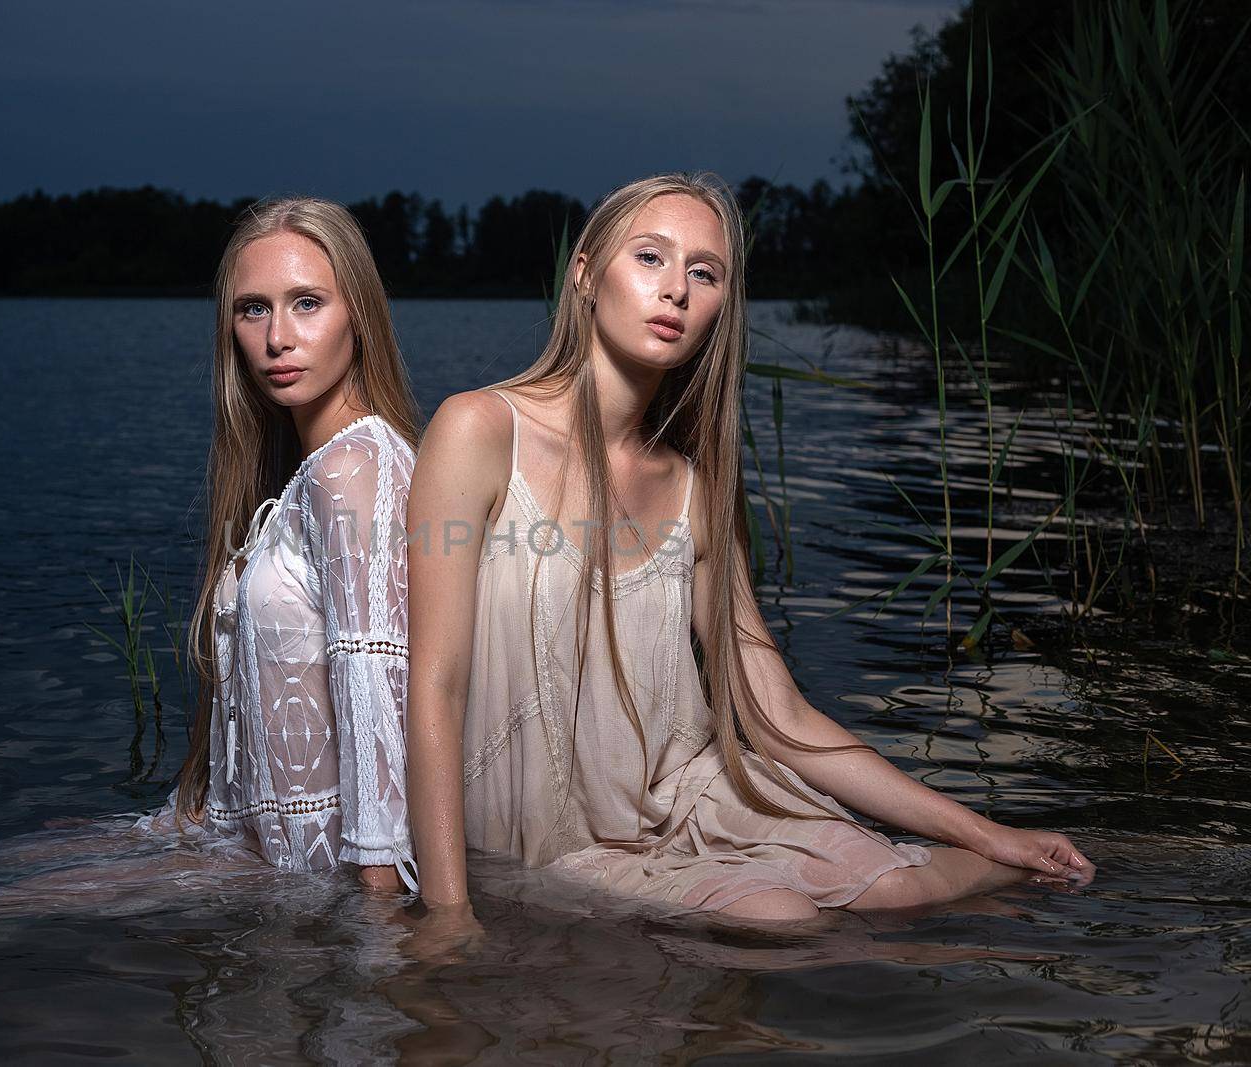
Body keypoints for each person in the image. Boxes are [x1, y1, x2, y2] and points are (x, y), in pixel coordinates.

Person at [402, 173, 1095, 933]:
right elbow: (437, 688)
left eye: (704, 273)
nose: (675, 292)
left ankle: (1040, 892)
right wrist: (448, 911)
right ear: (584, 276)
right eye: (649, 258)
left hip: (689, 795)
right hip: (540, 825)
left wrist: (988, 830)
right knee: (781, 916)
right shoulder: (478, 430)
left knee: (898, 889)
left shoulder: (694, 488)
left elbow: (775, 710)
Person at [153, 195, 421, 893]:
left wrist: (378, 939)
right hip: (251, 846)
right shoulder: (320, 465)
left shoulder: (351, 469)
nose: (277, 338)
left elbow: (376, 701)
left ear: (359, 314)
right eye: (253, 309)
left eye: (307, 304)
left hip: (310, 878)